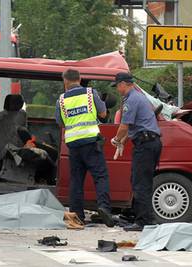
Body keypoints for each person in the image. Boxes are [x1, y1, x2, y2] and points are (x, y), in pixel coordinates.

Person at [55, 69, 114, 227]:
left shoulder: (61, 100)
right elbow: (102, 114)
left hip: (73, 145)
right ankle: (103, 208)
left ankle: (77, 216)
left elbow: (60, 123)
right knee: (100, 176)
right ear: (79, 79)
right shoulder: (90, 93)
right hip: (91, 142)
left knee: (76, 180)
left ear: (65, 81)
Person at [111, 72, 162, 231]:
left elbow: (124, 126)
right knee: (139, 181)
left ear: (123, 84)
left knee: (141, 183)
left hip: (145, 144)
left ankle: (143, 222)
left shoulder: (131, 100)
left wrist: (117, 140)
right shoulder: (139, 97)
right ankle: (141, 217)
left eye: (118, 86)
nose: (118, 89)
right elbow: (135, 127)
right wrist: (124, 140)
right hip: (149, 142)